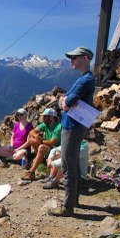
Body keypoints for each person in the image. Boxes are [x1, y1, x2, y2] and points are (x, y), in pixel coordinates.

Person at [49, 47, 95, 217]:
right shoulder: (86, 78)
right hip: (76, 123)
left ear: (85, 58)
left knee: (68, 164)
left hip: (72, 125)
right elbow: (67, 99)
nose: (71, 61)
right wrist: (65, 99)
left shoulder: (85, 80)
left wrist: (63, 101)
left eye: (74, 58)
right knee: (73, 162)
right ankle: (74, 199)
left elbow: (66, 104)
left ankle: (67, 206)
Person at [21, 108, 62, 181]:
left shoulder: (58, 127)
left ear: (51, 118)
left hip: (57, 149)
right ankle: (40, 158)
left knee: (41, 146)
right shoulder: (46, 124)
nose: (43, 118)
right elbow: (32, 131)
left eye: (45, 117)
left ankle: (31, 172)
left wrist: (40, 141)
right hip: (50, 147)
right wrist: (36, 136)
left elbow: (52, 142)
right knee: (31, 140)